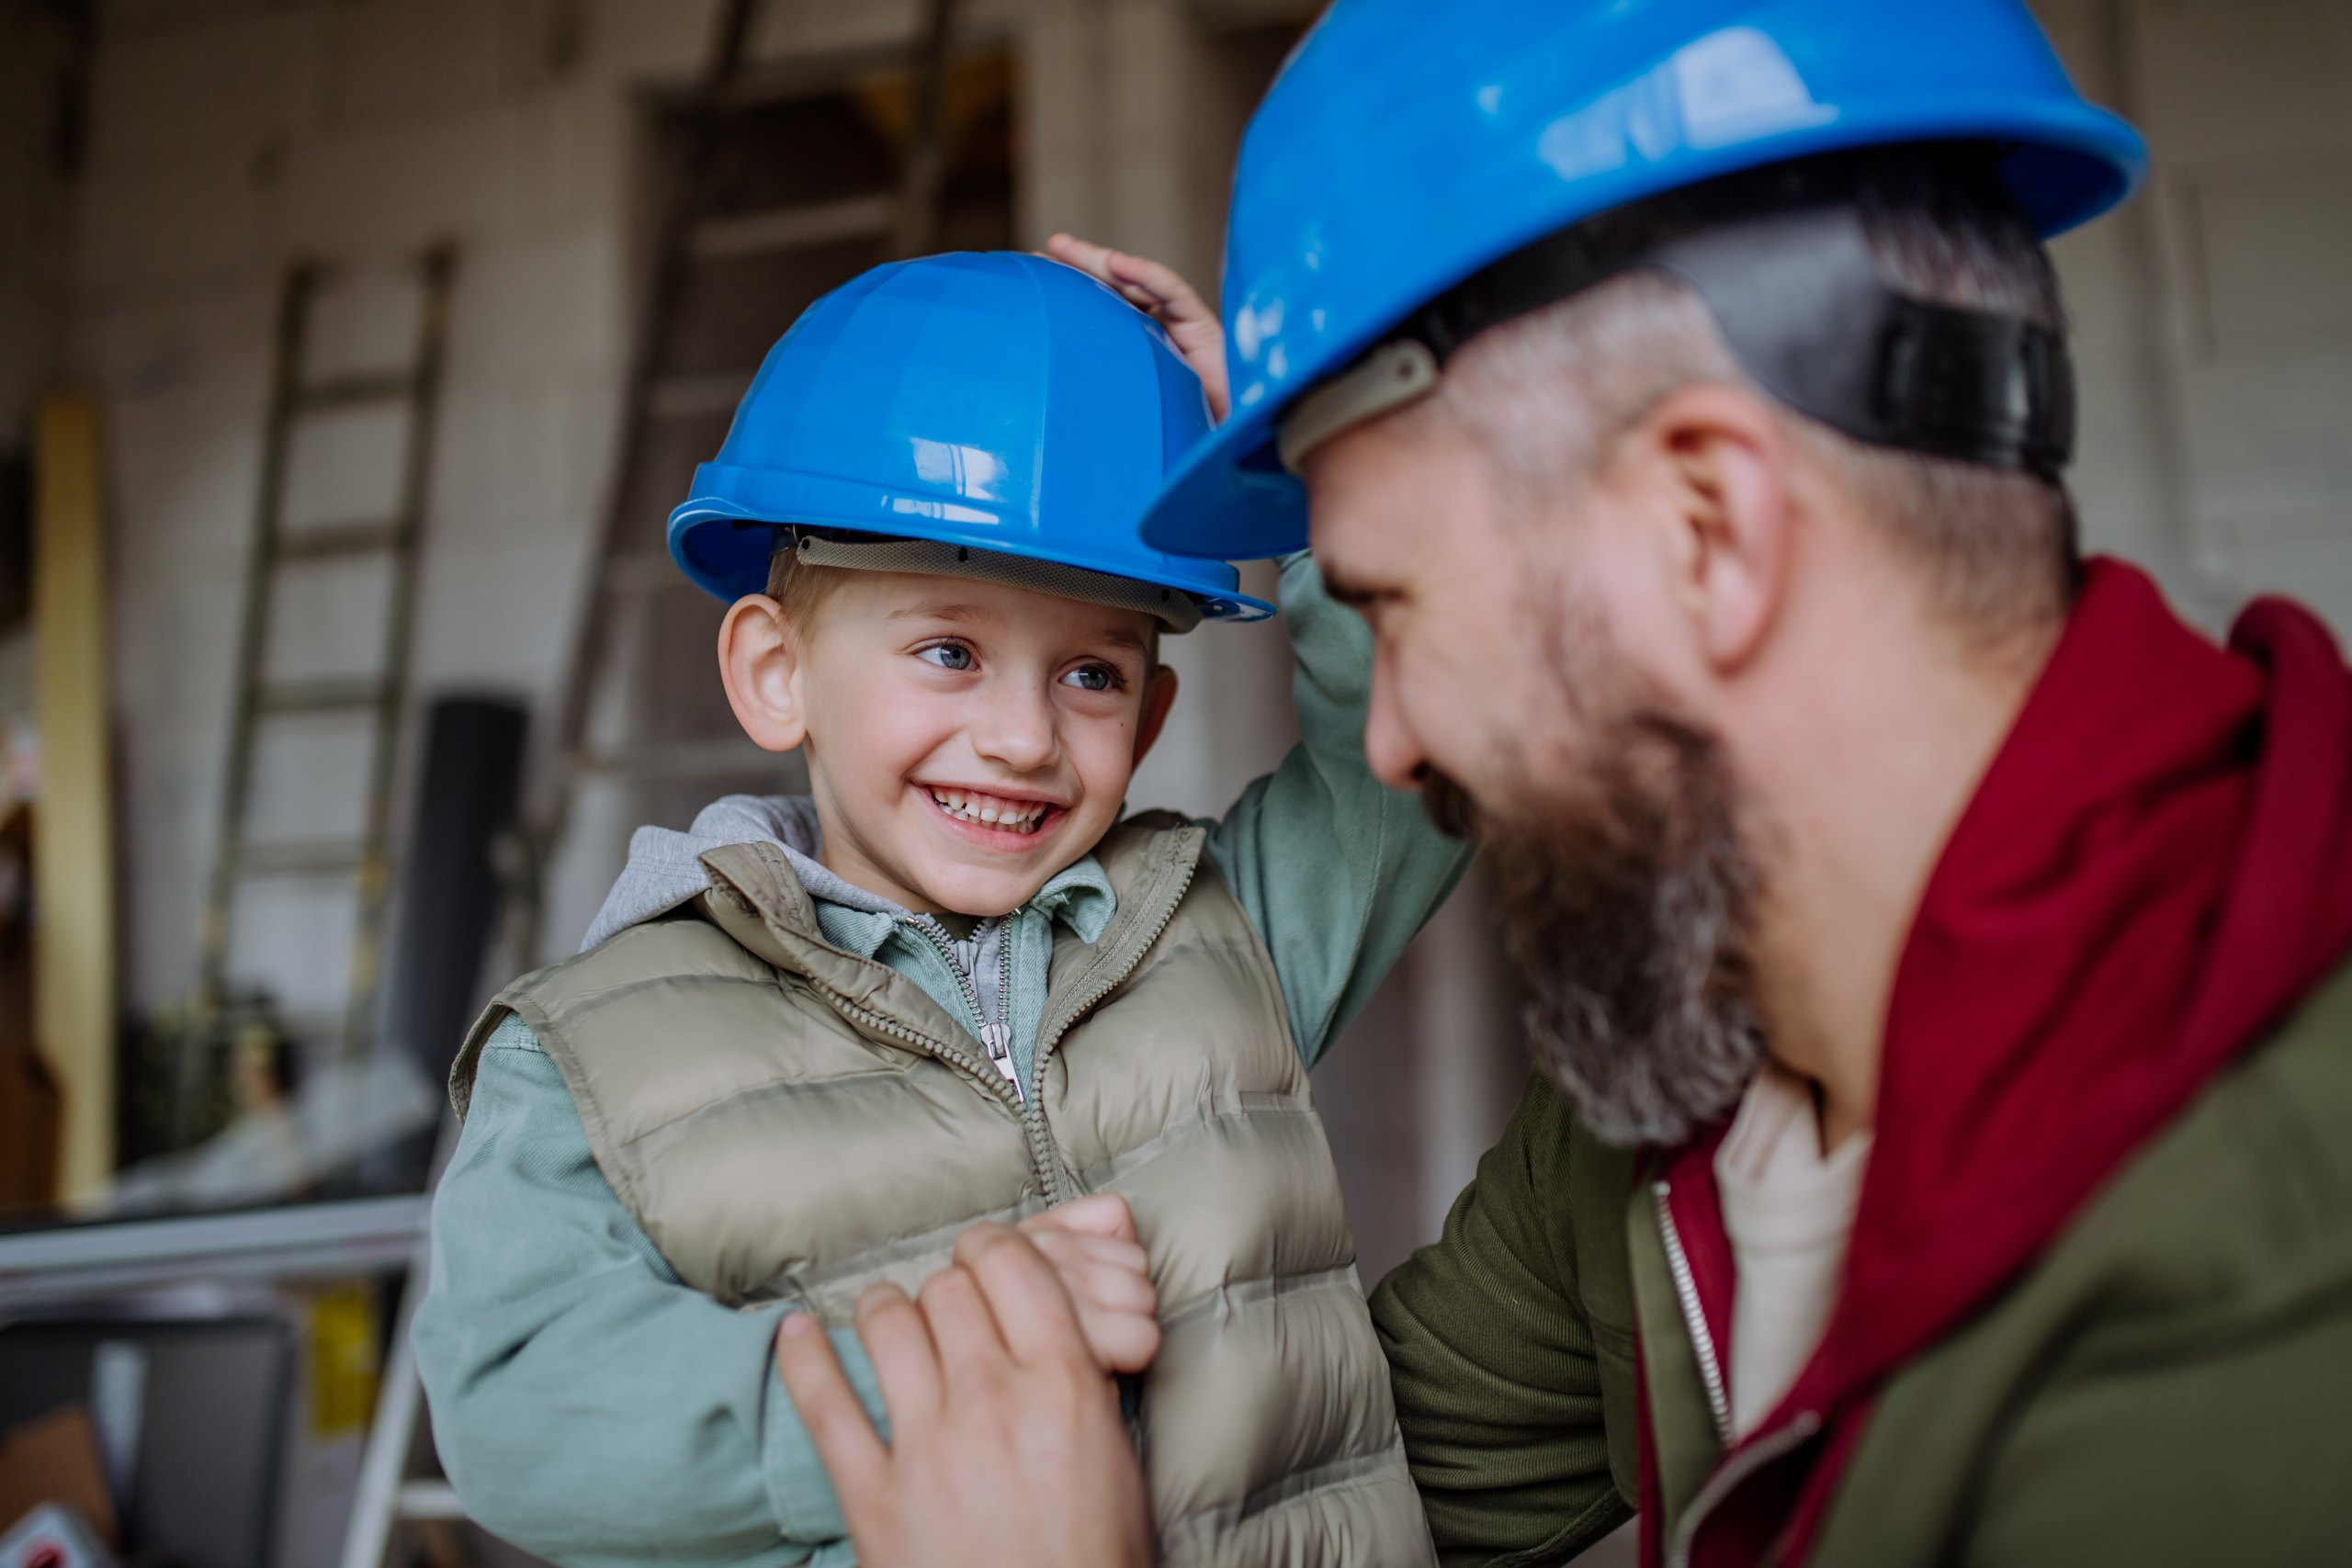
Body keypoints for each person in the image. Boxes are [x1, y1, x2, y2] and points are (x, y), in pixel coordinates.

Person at [775, 2, 2352, 1565]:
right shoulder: (1681, 1102)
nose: (1386, 744)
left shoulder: (2274, 1306)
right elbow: (1332, 1509)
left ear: (1705, 532)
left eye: (1390, 605)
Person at [411, 245, 1468, 1567]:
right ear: (774, 671)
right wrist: (938, 1370)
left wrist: (1295, 454)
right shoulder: (595, 1051)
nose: (1024, 737)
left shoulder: (1220, 929)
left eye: (1090, 671)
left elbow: (1421, 744)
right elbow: (521, 1411)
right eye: (950, 651)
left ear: (1151, 715)